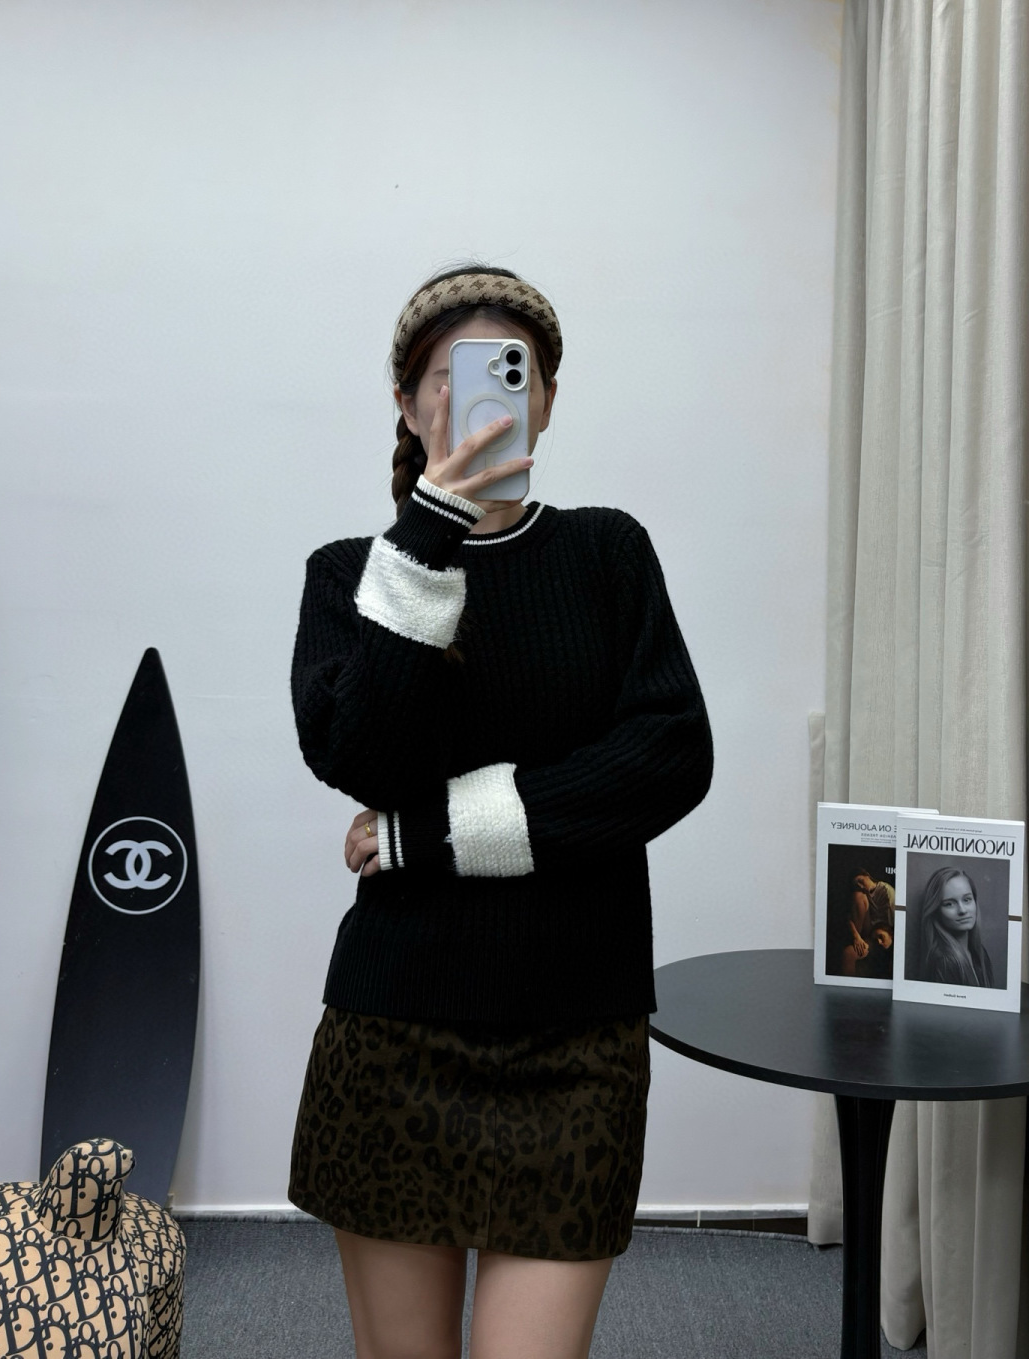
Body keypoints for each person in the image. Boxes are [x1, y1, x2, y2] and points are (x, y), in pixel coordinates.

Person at [287, 264, 714, 1359]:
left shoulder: (608, 552)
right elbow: (356, 752)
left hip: (577, 1040)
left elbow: (670, 756)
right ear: (406, 403)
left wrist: (431, 834)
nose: (477, 396)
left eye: (509, 373)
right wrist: (432, 532)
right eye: (449, 375)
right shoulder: (353, 576)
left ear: (548, 399)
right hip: (395, 1035)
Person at [915, 865, 995, 989]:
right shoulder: (944, 962)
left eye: (967, 900)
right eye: (949, 904)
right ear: (936, 911)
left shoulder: (979, 953)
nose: (962, 910)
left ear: (975, 901)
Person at [840, 869, 895, 979]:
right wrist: (857, 937)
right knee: (858, 896)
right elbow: (848, 918)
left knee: (849, 953)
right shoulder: (863, 894)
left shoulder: (885, 890)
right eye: (857, 885)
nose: (860, 886)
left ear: (867, 875)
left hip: (885, 932)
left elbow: (892, 923)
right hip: (870, 931)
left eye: (861, 881)